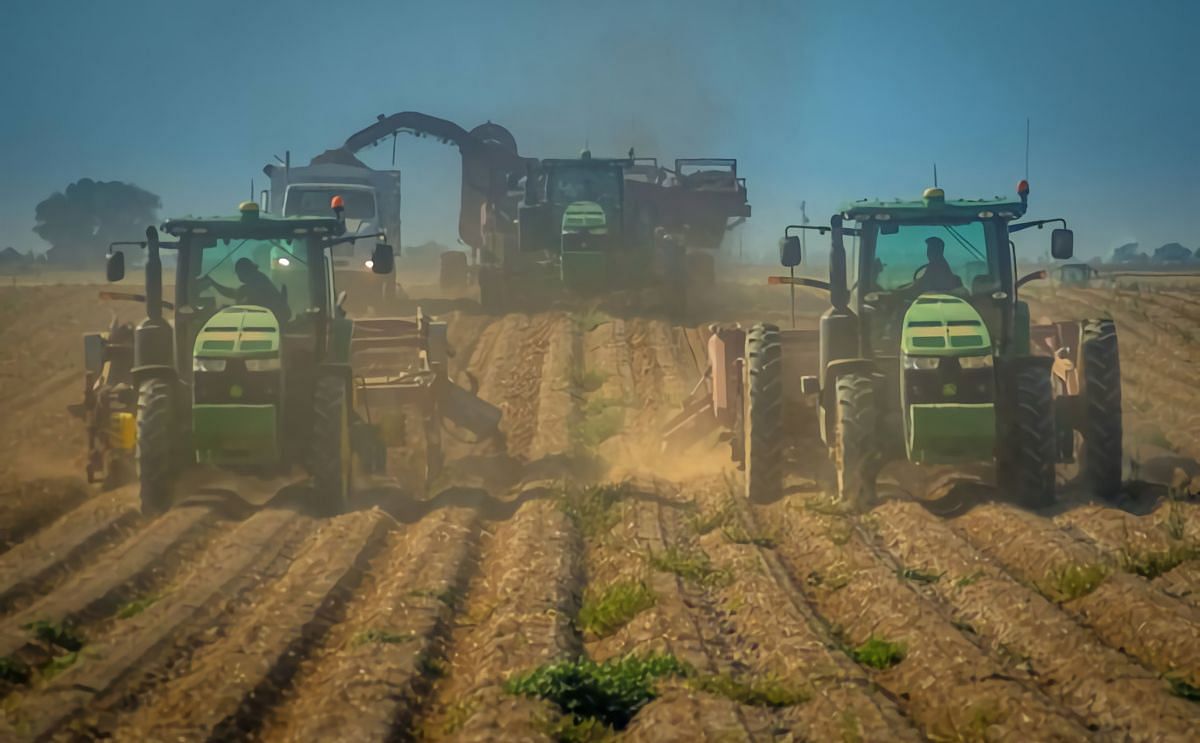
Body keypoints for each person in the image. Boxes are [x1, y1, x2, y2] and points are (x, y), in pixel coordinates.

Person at [202, 258, 290, 320]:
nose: (238, 276)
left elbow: (234, 294)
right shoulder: (258, 278)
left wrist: (213, 283)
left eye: (238, 273)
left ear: (244, 271)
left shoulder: (256, 280)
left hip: (275, 319)